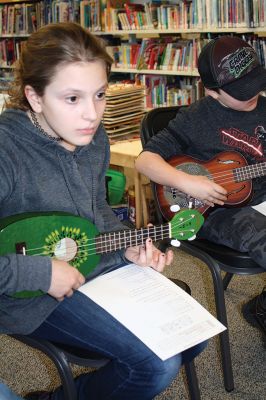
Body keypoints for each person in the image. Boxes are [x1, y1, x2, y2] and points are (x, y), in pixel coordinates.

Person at [0, 22, 206, 400]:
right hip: (25, 289)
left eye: (99, 95)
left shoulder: (93, 139)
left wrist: (124, 248)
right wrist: (41, 271)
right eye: (72, 99)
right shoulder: (6, 150)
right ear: (34, 97)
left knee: (191, 335)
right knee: (156, 365)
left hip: (89, 261)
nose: (92, 115)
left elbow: (95, 207)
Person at [136, 35, 266, 338]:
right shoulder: (197, 117)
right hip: (213, 211)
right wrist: (188, 182)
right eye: (239, 91)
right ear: (211, 91)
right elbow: (145, 161)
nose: (252, 94)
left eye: (256, 83)